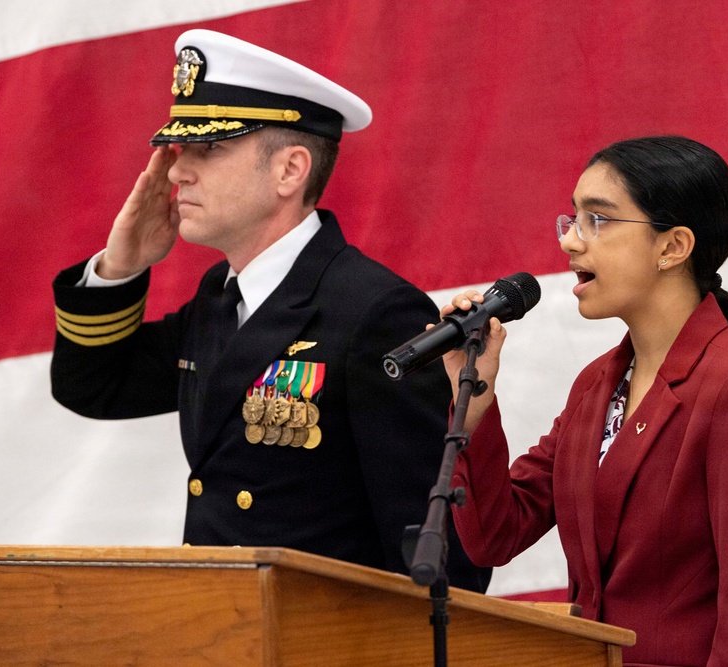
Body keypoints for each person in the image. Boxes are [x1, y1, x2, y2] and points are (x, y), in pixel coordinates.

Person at [50, 29, 489, 593]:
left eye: (209, 149)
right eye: (182, 150)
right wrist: (119, 267)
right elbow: (94, 387)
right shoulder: (220, 296)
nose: (178, 172)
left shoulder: (375, 312)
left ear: (290, 170)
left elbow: (435, 552)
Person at [444, 136, 728, 664]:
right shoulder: (598, 384)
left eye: (599, 220)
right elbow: (497, 535)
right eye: (572, 219)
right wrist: (471, 394)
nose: (570, 242)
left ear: (673, 246)